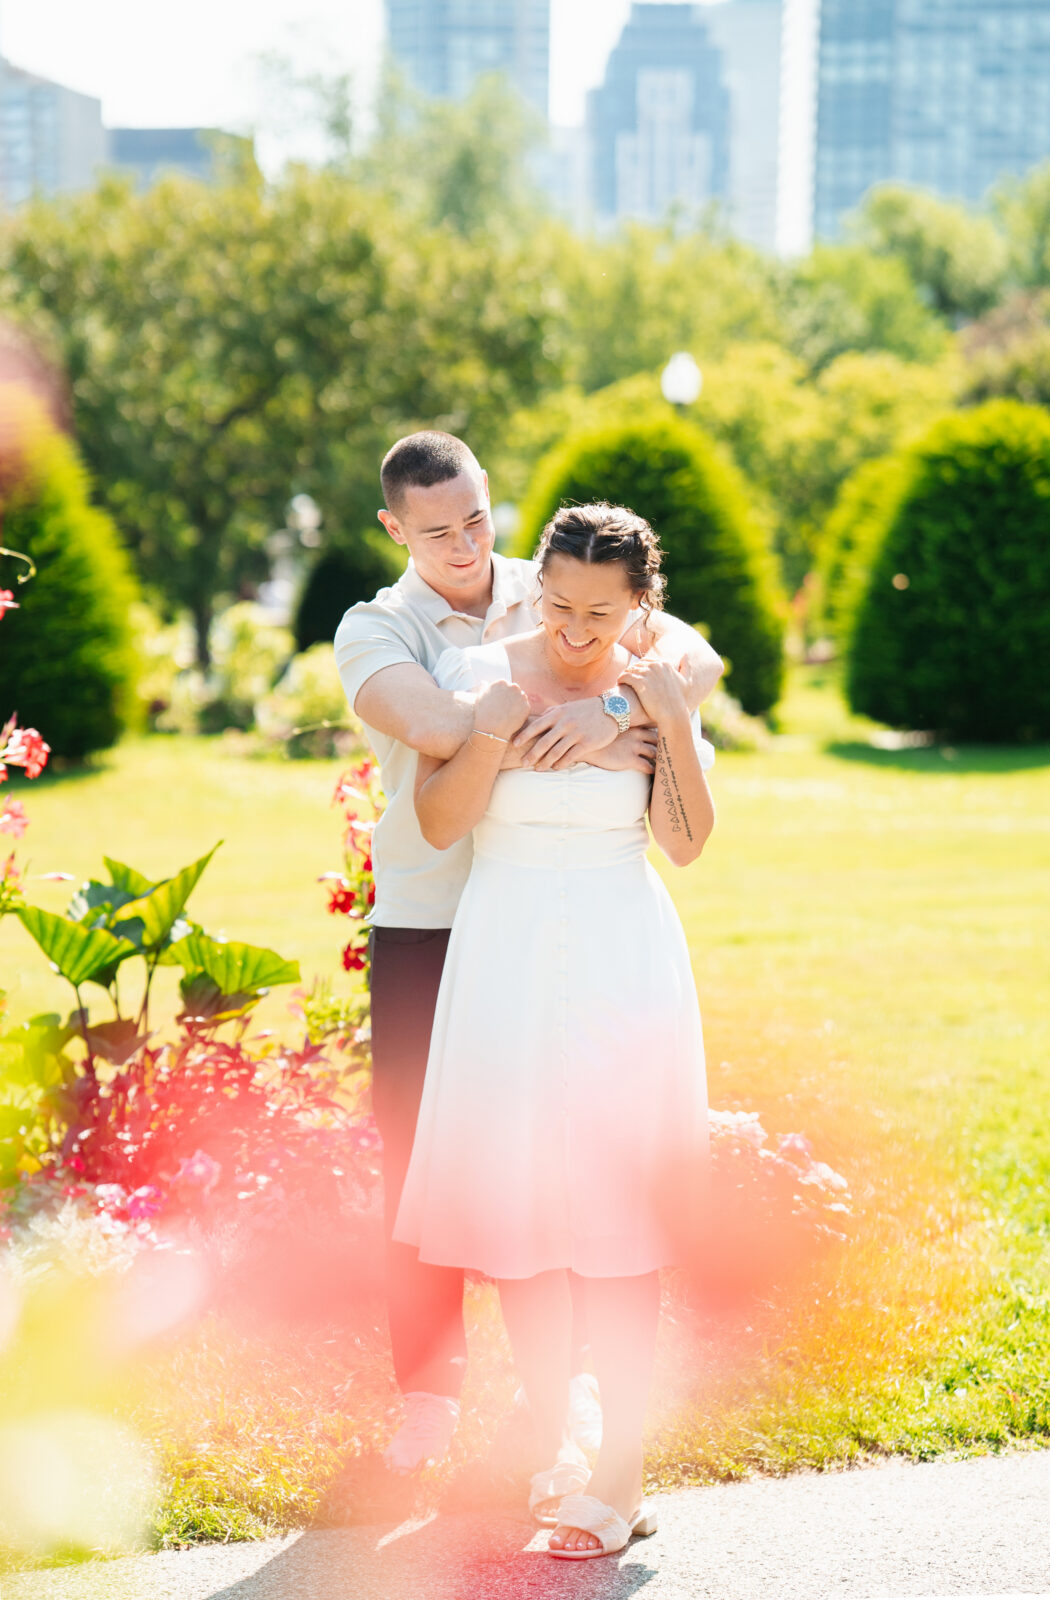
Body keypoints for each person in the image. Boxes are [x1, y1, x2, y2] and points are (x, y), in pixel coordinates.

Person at [334, 432, 722, 1476]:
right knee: (442, 1166)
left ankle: (592, 1427)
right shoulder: (384, 628)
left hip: (598, 934)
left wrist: (620, 707)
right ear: (396, 531)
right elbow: (429, 723)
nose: (464, 543)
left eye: (475, 518)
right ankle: (433, 1398)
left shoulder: (561, 584)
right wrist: (508, 716)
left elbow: (690, 656)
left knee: (591, 1179)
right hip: (443, 925)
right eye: (437, 530)